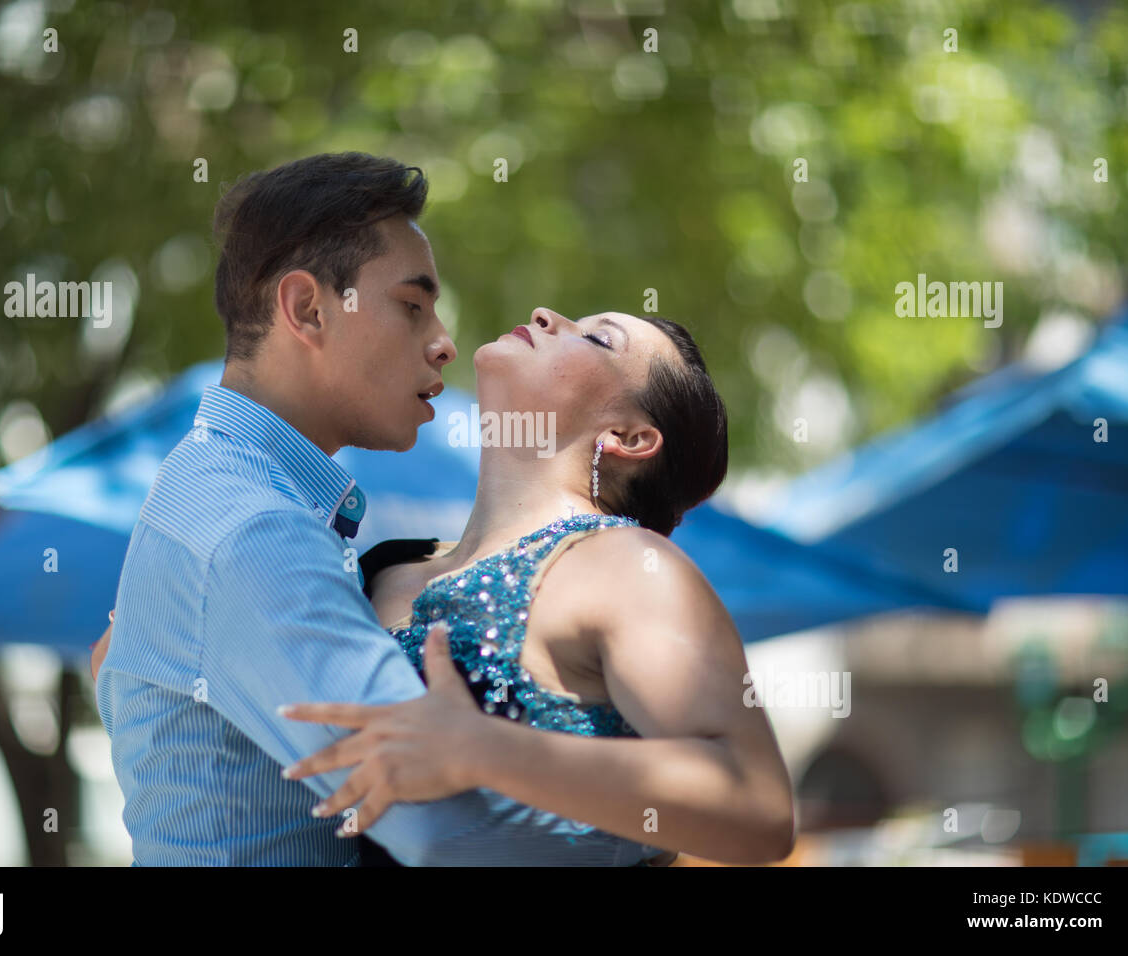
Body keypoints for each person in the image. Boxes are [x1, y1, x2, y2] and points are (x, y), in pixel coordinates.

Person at [94, 151, 666, 865]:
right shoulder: (256, 528)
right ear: (307, 309)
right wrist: (649, 833)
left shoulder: (213, 491)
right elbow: (432, 825)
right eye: (411, 306)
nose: (444, 344)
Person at [282, 308, 796, 865]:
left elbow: (758, 808)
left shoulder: (626, 567)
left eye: (598, 338)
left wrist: (482, 748)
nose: (546, 315)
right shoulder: (381, 566)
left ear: (628, 437)